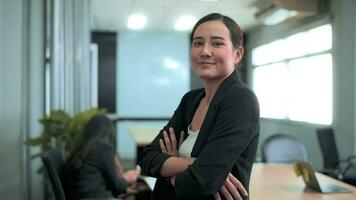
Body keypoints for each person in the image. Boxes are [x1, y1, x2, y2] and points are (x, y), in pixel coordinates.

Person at [139, 13, 260, 200]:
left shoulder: (241, 100)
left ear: (238, 54)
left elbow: (202, 181)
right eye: (198, 43)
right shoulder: (191, 100)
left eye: (217, 43)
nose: (205, 51)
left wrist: (172, 166)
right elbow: (147, 159)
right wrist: (195, 164)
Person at [65, 115, 140, 200]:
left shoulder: (82, 149)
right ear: (109, 133)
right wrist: (131, 178)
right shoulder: (102, 149)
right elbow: (117, 186)